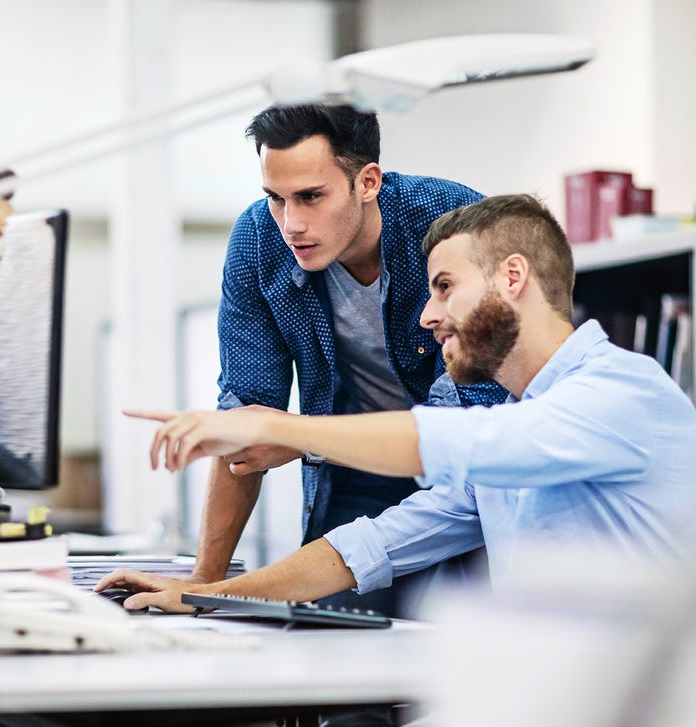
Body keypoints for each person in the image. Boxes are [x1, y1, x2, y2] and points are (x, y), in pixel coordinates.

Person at [98, 194, 696, 610]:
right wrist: (209, 595)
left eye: (445, 287)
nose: (428, 315)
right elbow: (371, 546)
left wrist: (278, 427)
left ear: (513, 277)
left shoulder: (621, 393)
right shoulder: (516, 431)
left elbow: (448, 441)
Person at [188, 103, 506, 617]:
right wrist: (202, 586)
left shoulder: (452, 224)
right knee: (333, 628)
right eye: (276, 198)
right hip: (352, 466)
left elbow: (466, 425)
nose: (291, 223)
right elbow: (245, 417)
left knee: (464, 628)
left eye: (311, 197)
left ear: (368, 182)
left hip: (464, 471)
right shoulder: (259, 240)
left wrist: (299, 438)